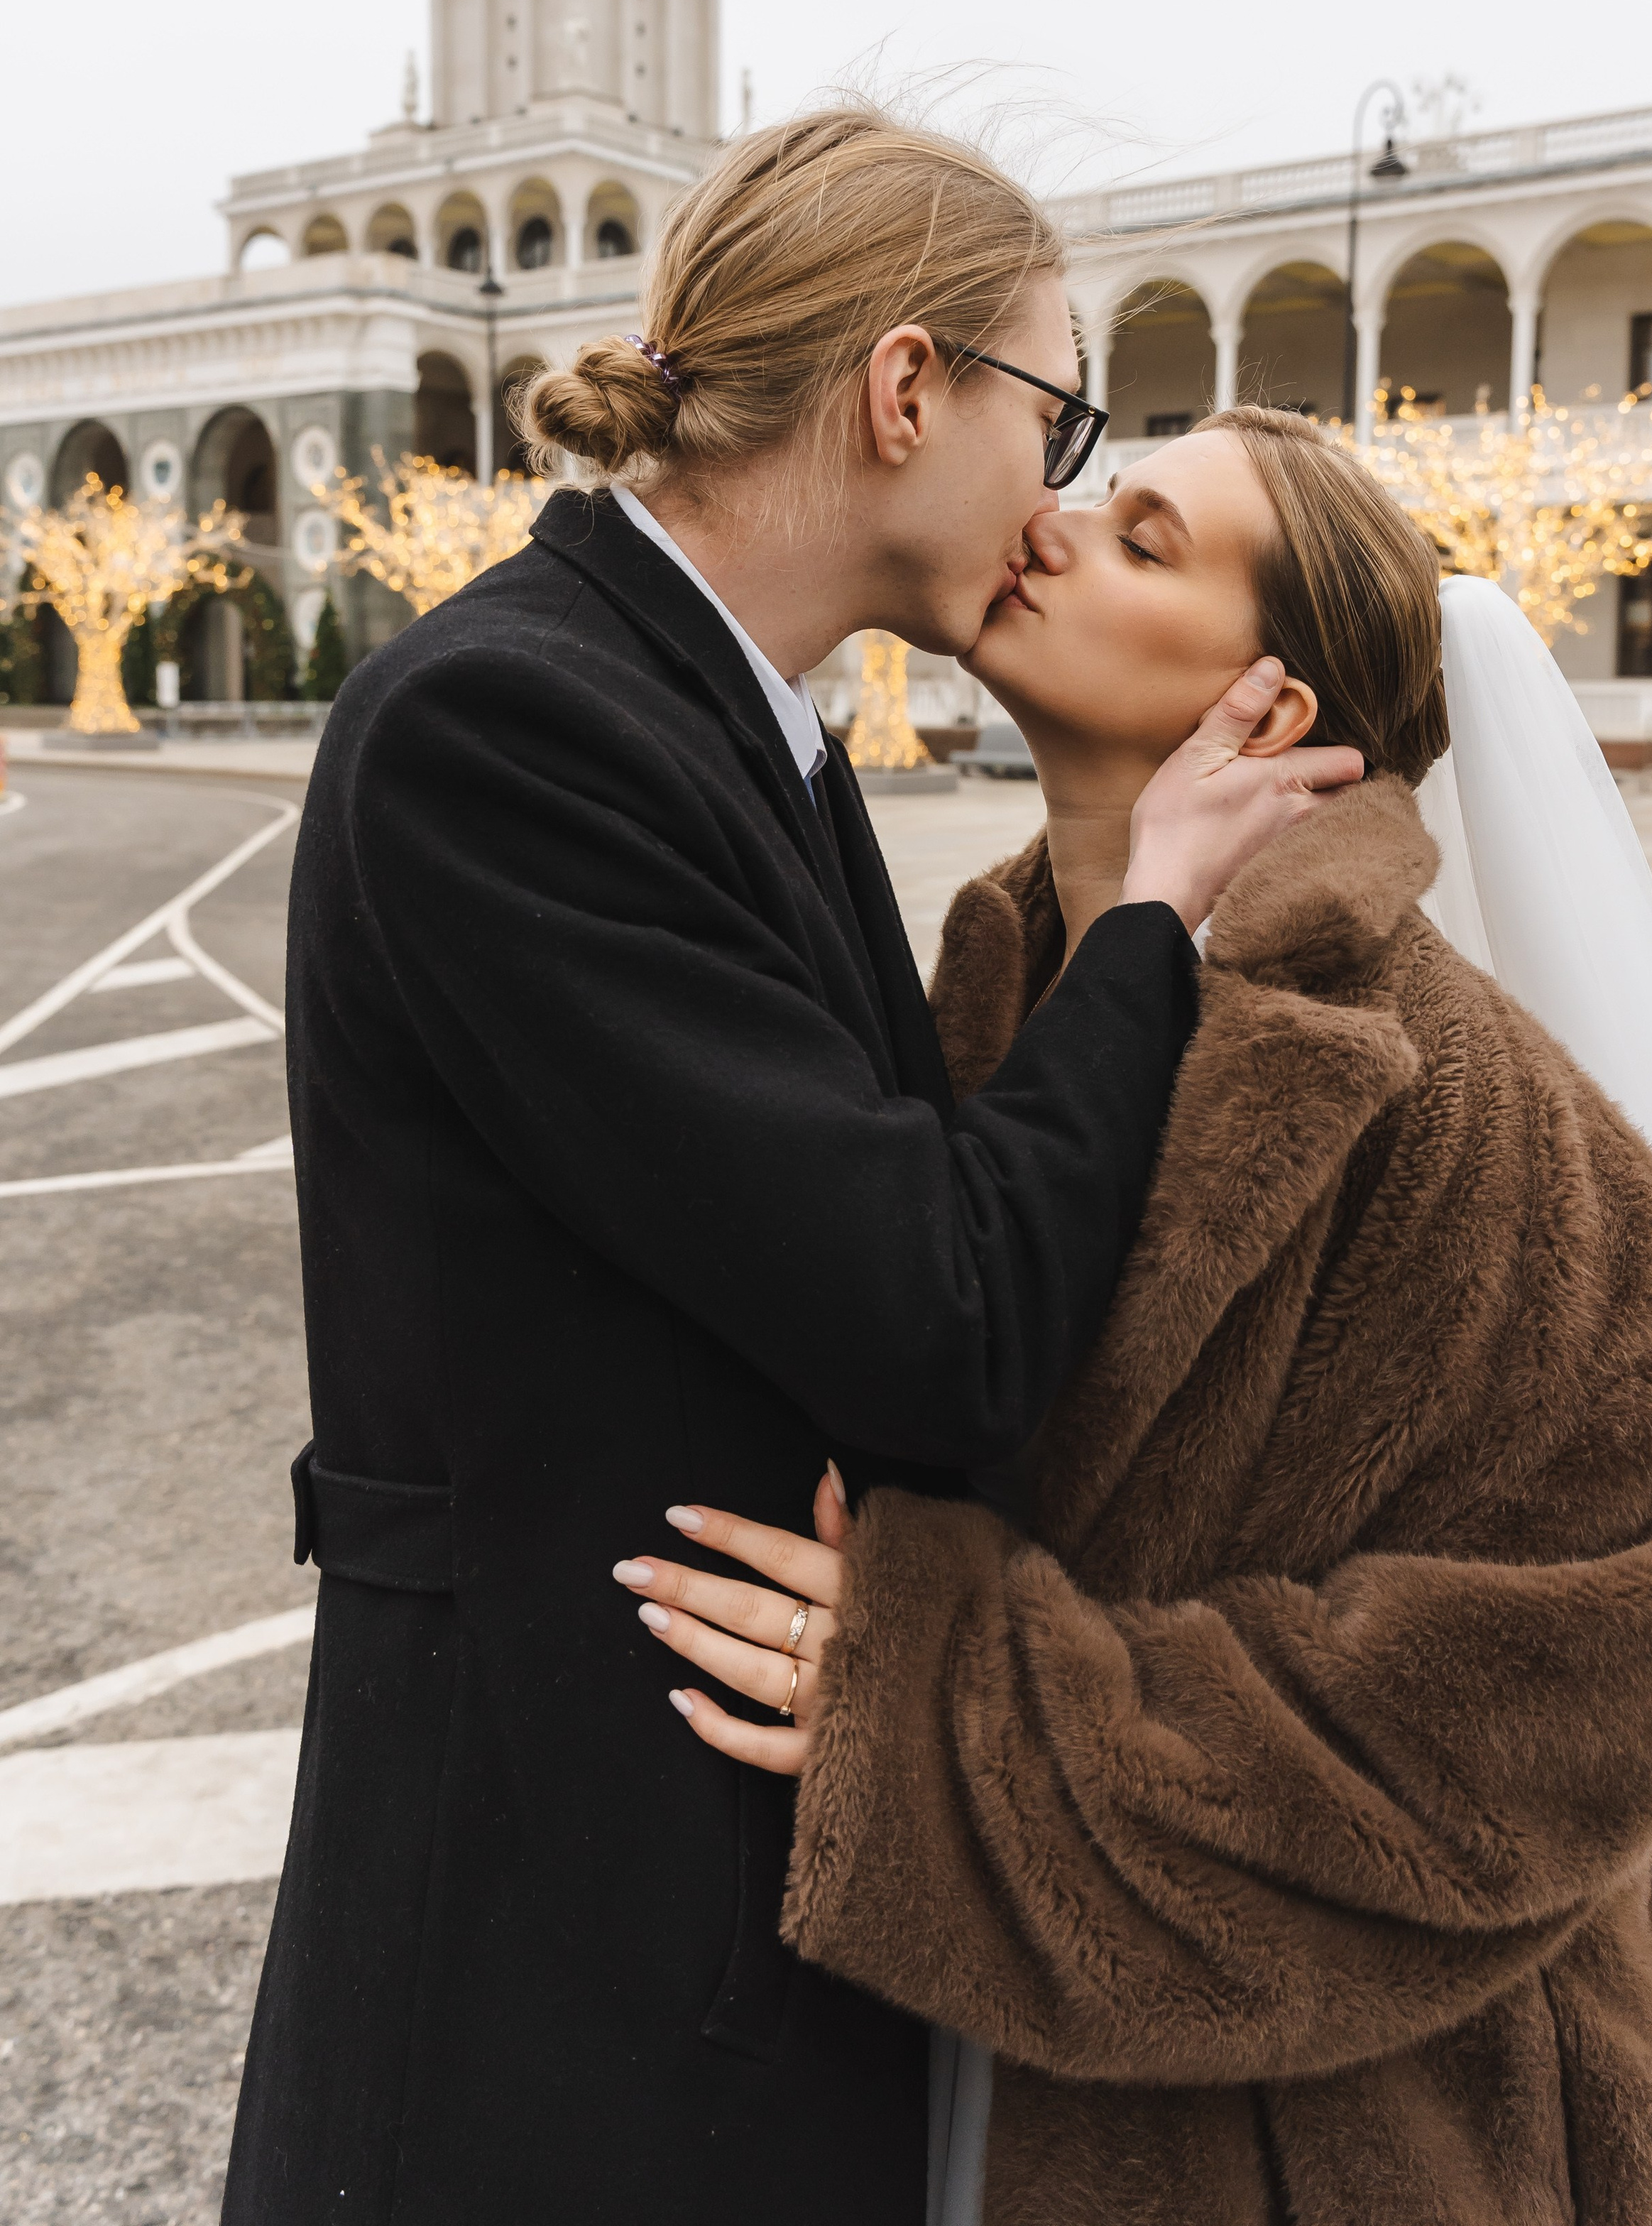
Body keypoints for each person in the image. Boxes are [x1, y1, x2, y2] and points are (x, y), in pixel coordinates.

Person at [223, 119, 1362, 2226]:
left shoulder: (745, 725)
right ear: (909, 391)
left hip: (700, 1964)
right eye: (1062, 419)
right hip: (550, 2004)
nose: (1052, 497)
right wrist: (1148, 925)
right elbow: (939, 1322)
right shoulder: (511, 725)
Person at [623, 407, 1652, 2226]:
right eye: (1099, 494)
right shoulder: (975, 990)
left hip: (1380, 2134)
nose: (1055, 526)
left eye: (1144, 538)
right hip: (1004, 2070)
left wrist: (954, 1708)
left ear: (1271, 704)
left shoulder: (1433, 1084)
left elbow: (1639, 1537)